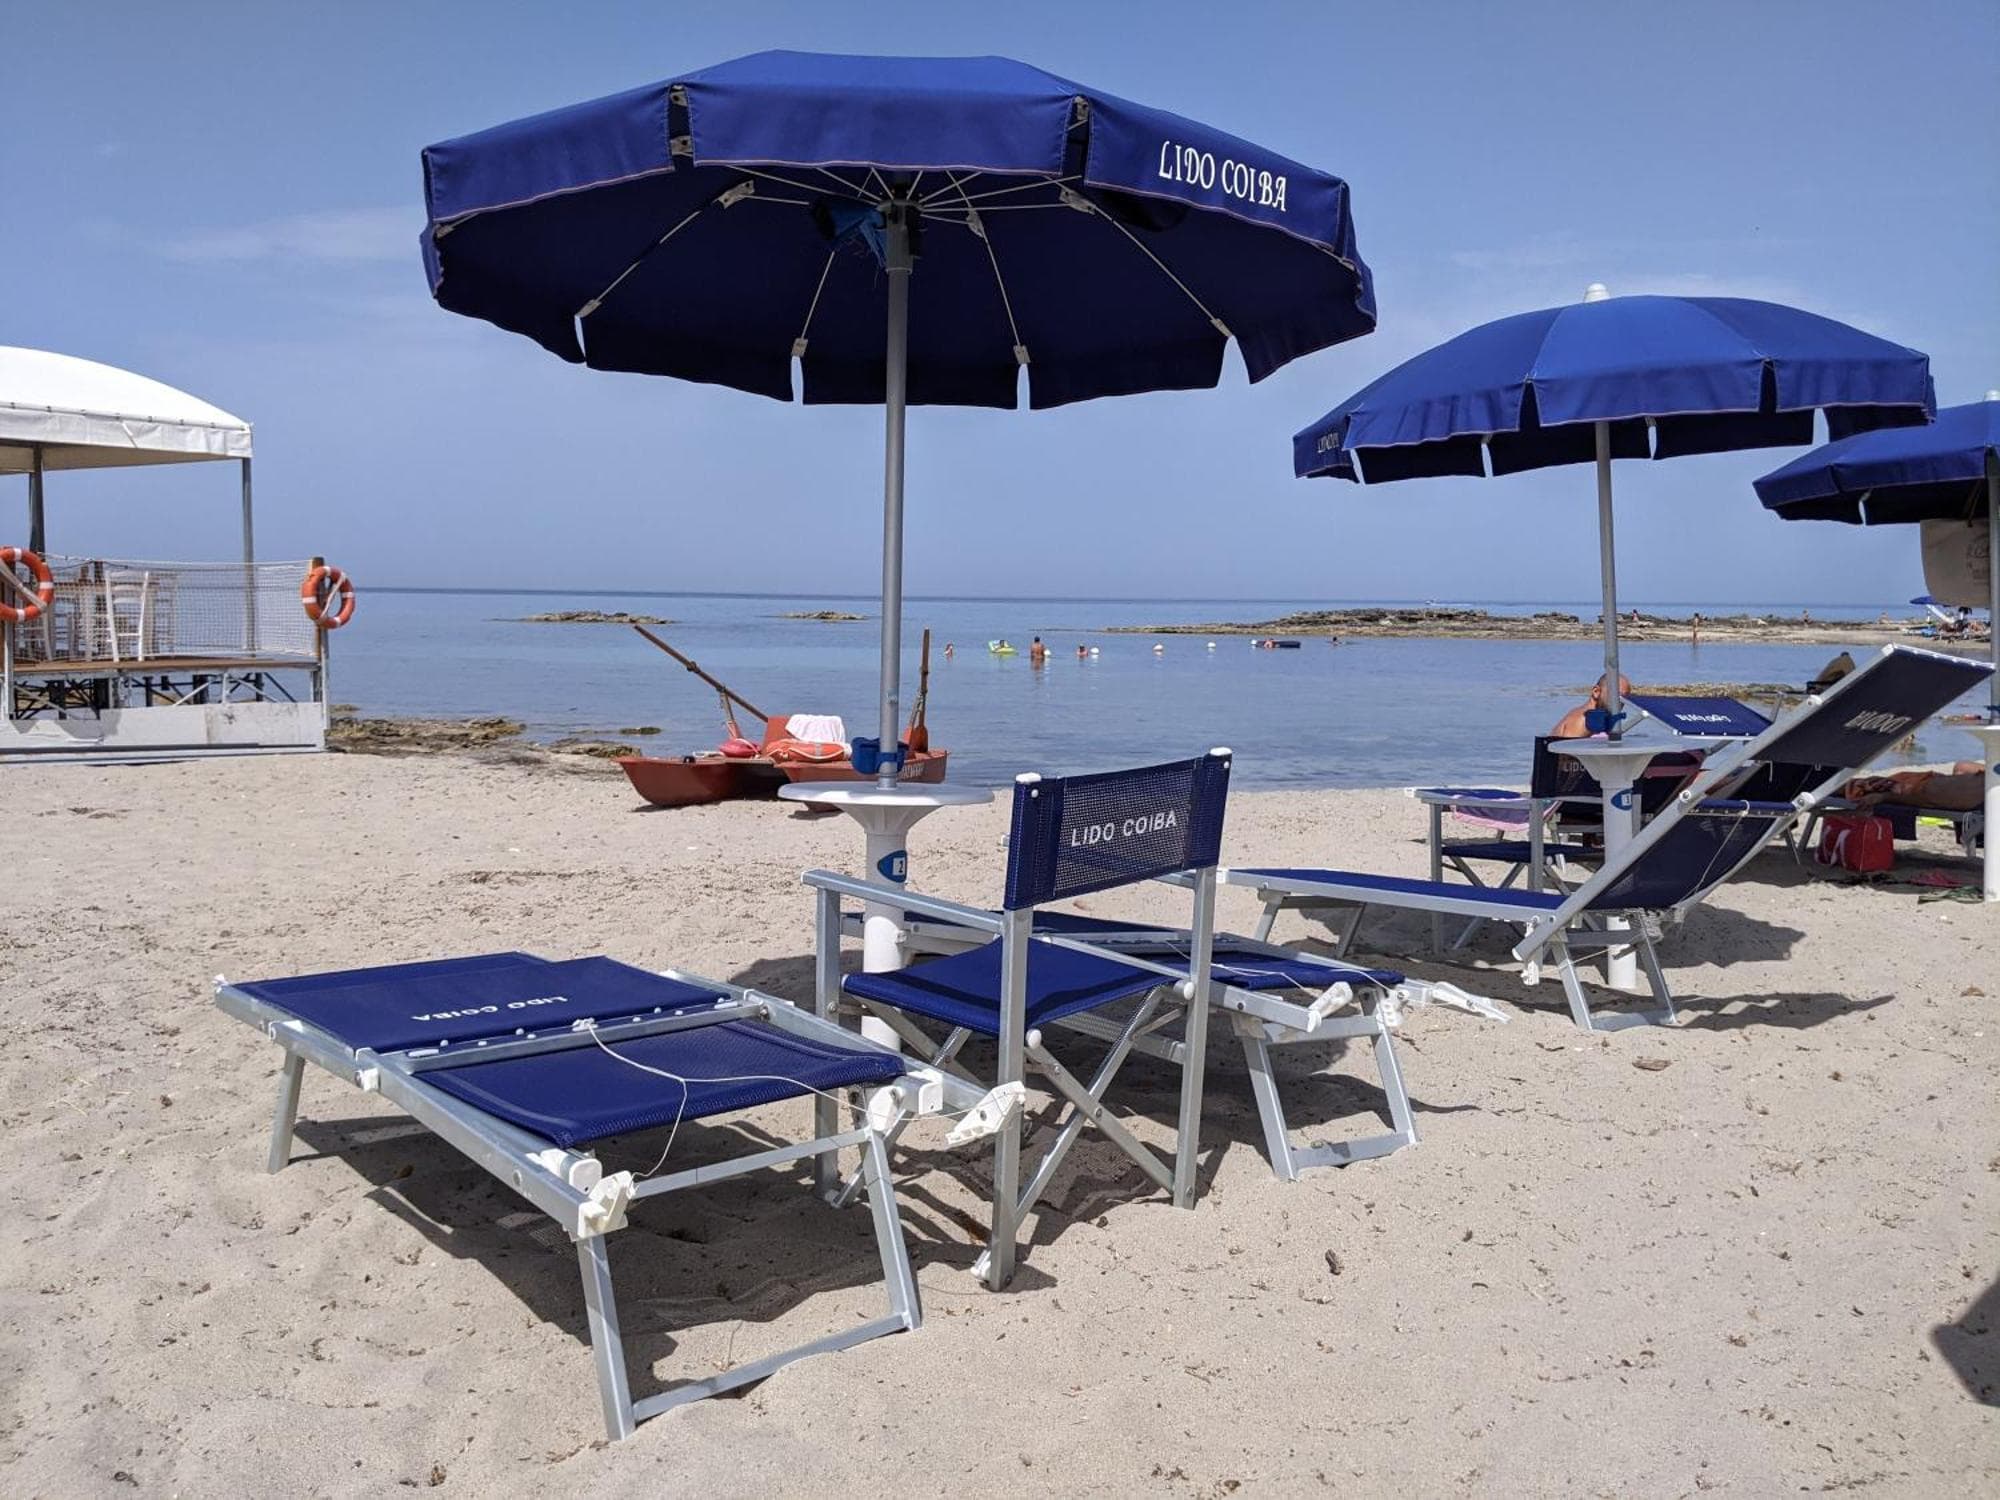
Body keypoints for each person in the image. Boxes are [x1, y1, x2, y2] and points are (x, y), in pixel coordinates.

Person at [1844, 761, 1985, 813]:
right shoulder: (1982, 783)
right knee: (1862, 784)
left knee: (1857, 786)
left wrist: (1884, 797)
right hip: (1926, 783)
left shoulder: (1970, 793)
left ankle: (1835, 785)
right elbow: (1962, 767)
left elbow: (1919, 797)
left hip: (1915, 788)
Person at [1552, 673, 1632, 739]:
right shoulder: (1583, 720)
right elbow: (1567, 751)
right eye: (1615, 695)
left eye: (1624, 698)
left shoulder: (1596, 720)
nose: (1620, 702)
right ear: (1596, 692)